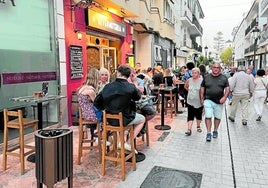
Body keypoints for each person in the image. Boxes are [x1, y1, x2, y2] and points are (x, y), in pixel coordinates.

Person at [94, 65, 145, 152]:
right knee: (142, 119)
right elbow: (138, 97)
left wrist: (106, 109)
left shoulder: (107, 86)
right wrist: (135, 82)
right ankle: (127, 143)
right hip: (125, 118)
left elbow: (96, 102)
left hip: (109, 119)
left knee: (122, 122)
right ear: (129, 75)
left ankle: (114, 140)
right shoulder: (130, 87)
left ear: (118, 73)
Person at [200, 63, 230, 142]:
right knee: (208, 116)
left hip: (219, 101)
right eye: (214, 67)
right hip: (208, 100)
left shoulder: (224, 78)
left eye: (217, 67)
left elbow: (227, 88)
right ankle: (208, 133)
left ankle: (215, 130)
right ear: (211, 68)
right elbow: (202, 87)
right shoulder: (206, 77)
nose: (216, 69)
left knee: (217, 117)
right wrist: (202, 98)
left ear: (220, 69)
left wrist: (225, 97)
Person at [77, 68, 100, 138]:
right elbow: (97, 103)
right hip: (90, 115)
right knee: (107, 118)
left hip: (84, 114)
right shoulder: (90, 90)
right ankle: (100, 136)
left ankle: (96, 134)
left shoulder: (82, 87)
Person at [184, 68, 203, 136]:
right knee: (190, 115)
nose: (194, 74)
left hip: (198, 101)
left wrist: (202, 99)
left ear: (198, 73)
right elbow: (185, 86)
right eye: (193, 73)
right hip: (190, 101)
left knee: (198, 115)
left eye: (195, 73)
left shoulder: (201, 81)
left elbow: (203, 91)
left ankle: (198, 126)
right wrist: (190, 91)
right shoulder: (189, 80)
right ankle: (189, 129)